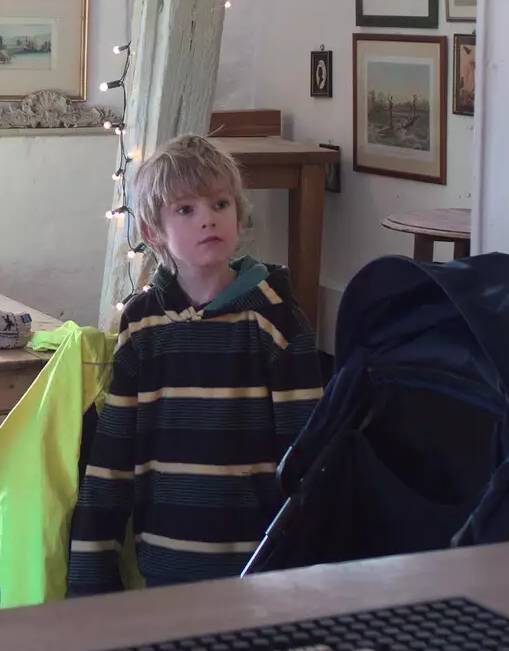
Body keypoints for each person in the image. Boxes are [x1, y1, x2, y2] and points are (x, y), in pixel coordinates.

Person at [66, 135, 325, 596]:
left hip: (258, 562)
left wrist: (308, 559)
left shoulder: (275, 317)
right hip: (166, 558)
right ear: (153, 233)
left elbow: (308, 453)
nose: (208, 218)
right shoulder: (143, 324)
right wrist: (89, 576)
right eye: (185, 209)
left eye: (220, 203)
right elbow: (112, 458)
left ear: (238, 214)